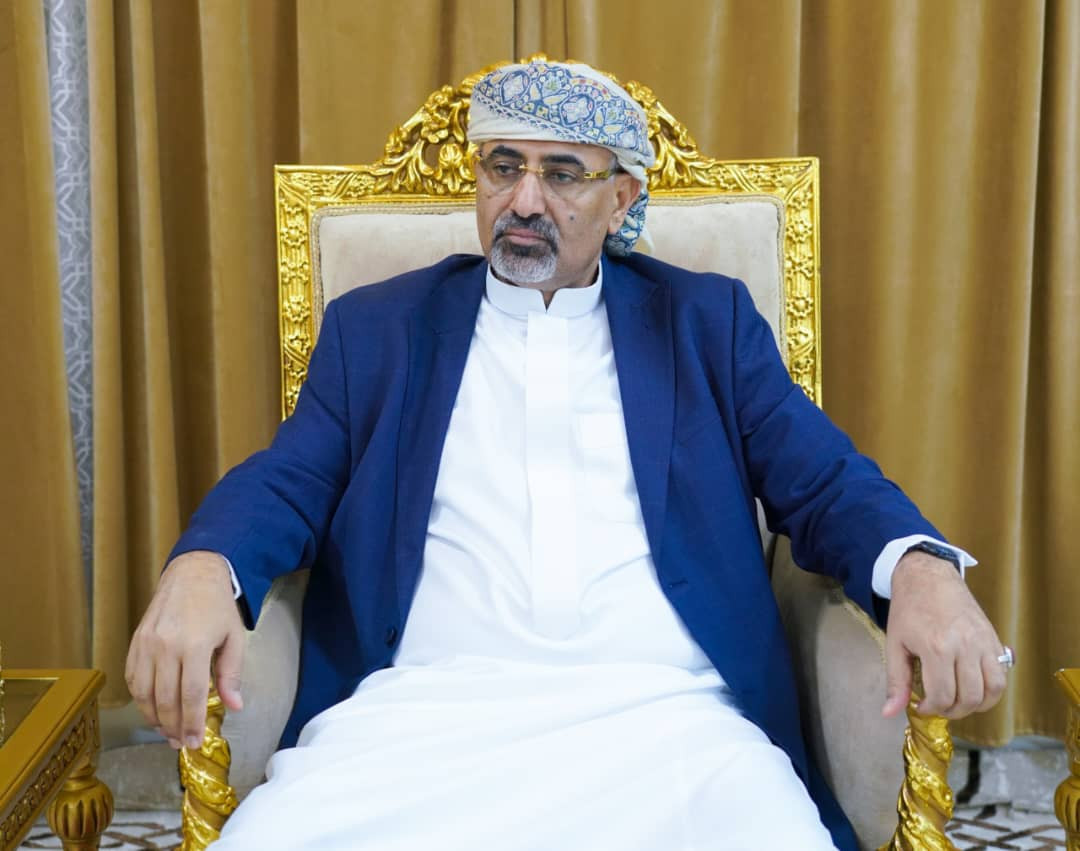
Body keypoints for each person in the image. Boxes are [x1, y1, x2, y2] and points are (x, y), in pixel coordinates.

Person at [126, 60, 1008, 850]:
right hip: (412, 723)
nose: (523, 201)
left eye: (560, 174)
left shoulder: (706, 324)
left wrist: (922, 570)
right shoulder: (380, 329)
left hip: (678, 726)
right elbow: (289, 480)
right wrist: (204, 565)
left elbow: (825, 482)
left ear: (621, 199)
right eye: (502, 166)